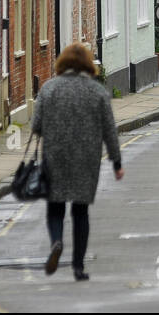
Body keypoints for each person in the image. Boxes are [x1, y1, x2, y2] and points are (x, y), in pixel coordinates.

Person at [31, 43, 123, 280]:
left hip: (55, 157)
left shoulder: (49, 89)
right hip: (86, 159)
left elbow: (36, 126)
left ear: (62, 63)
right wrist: (116, 162)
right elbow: (109, 130)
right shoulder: (97, 92)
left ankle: (57, 242)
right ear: (87, 64)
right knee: (80, 212)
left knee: (55, 208)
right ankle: (78, 267)